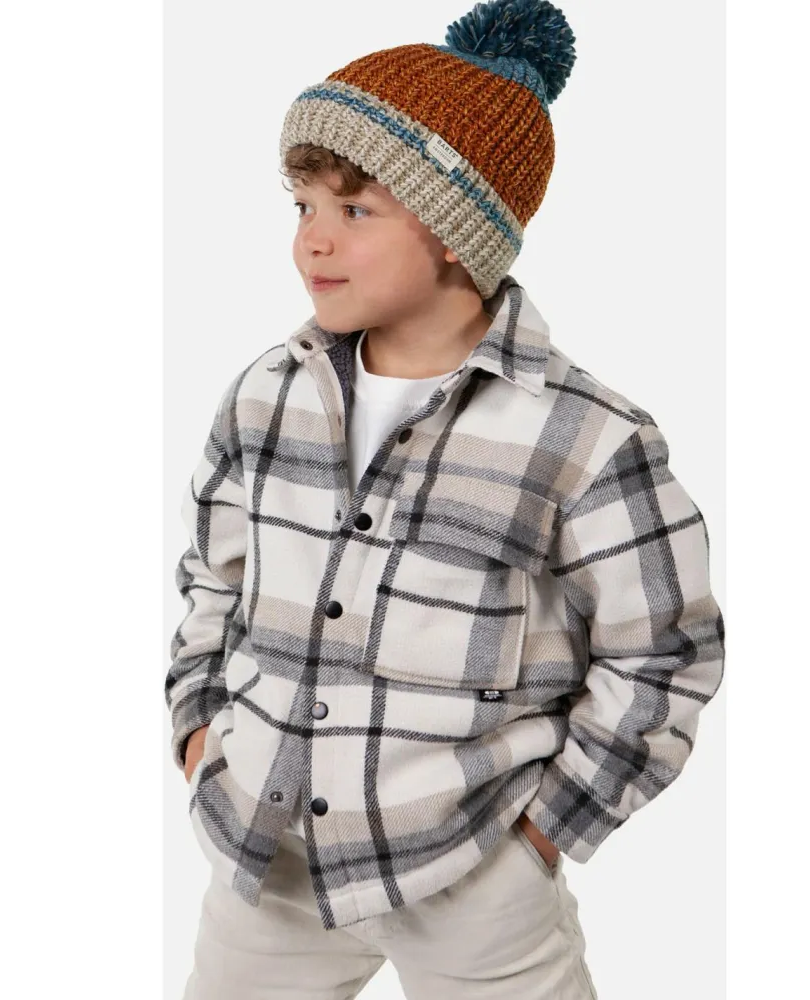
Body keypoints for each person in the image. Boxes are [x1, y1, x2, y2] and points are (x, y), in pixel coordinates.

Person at [166, 2, 725, 997]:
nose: (313, 242)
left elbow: (662, 650)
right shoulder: (266, 394)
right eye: (302, 206)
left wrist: (547, 830)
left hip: (469, 869)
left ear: (459, 231)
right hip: (267, 855)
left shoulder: (583, 437)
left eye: (356, 211)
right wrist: (200, 730)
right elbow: (214, 575)